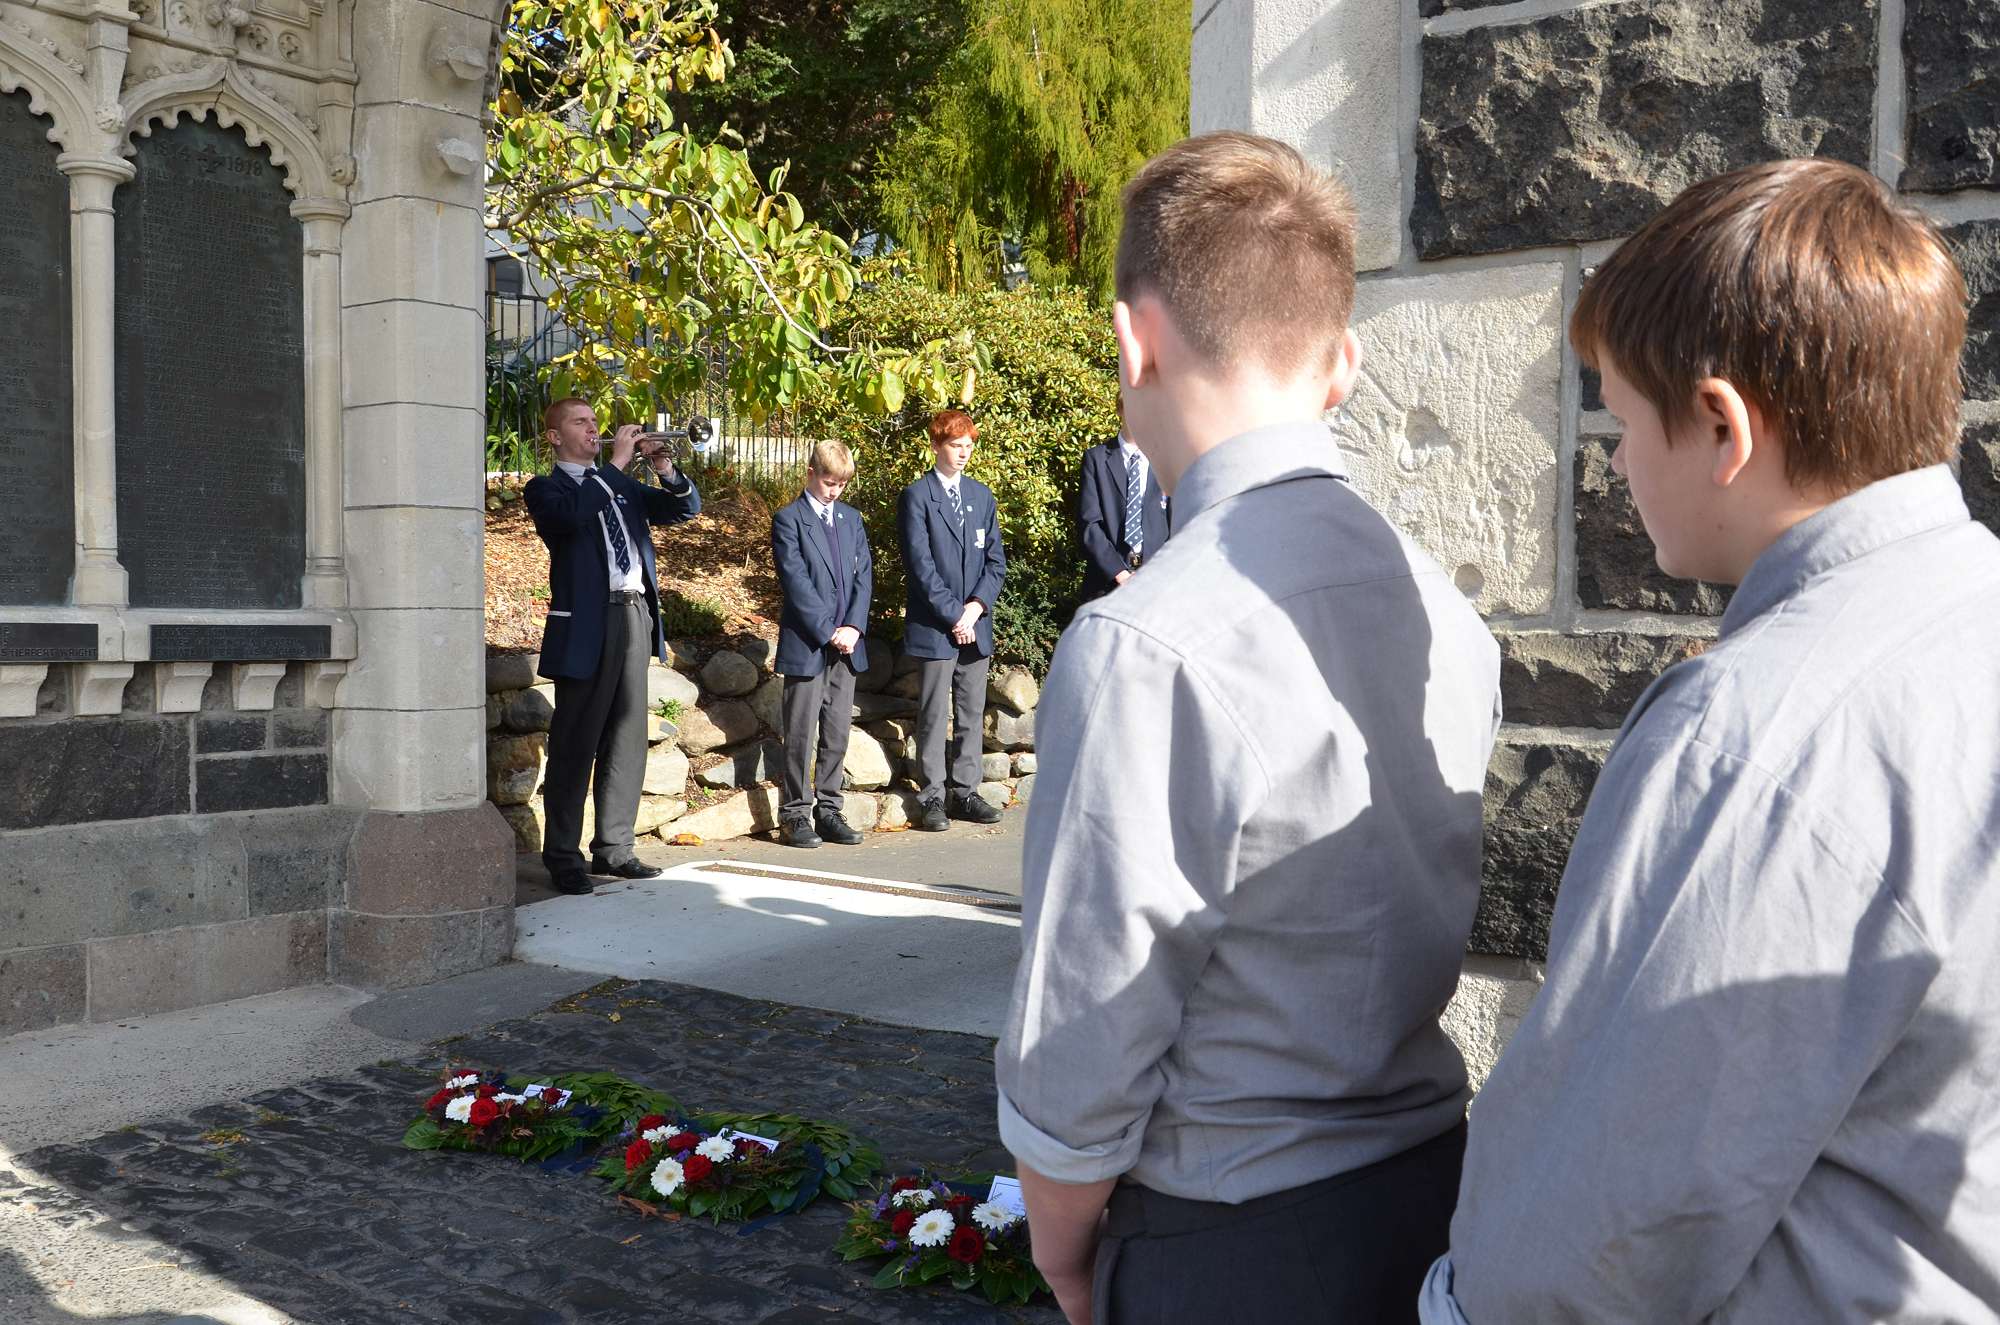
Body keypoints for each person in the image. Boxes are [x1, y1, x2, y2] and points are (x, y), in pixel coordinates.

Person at [1422, 159, 2000, 1323]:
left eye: (1621, 419)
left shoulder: (1750, 736)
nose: (1613, 462)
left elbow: (1590, 1234)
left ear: (1721, 425)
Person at [995, 130, 1502, 1325]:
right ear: (1341, 365)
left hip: (1231, 1240)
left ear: (1133, 341)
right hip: (1433, 1198)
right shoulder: (1444, 607)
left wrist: (1062, 1248)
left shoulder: (1144, 638)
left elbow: (1086, 1026)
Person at [523, 399, 700, 895]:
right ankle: (564, 857)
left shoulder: (619, 487)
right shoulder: (547, 489)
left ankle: (615, 848)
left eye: (594, 421)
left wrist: (664, 468)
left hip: (633, 613)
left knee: (627, 736)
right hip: (587, 621)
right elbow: (572, 517)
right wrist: (618, 463)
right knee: (575, 742)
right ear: (555, 437)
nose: (593, 428)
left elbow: (683, 509)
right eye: (580, 422)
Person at [896, 408, 1006, 833]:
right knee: (932, 712)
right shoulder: (917, 496)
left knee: (971, 711)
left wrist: (975, 608)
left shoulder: (981, 496)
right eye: (956, 445)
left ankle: (965, 792)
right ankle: (932, 797)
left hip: (975, 624)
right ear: (936, 446)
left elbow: (995, 562)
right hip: (935, 626)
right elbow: (920, 566)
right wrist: (955, 614)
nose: (964, 453)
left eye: (968, 446)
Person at [770, 440, 873, 849]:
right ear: (811, 473)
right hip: (808, 643)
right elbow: (795, 581)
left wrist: (854, 627)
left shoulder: (851, 519)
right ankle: (795, 814)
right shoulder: (789, 520)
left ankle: (829, 810)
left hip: (847, 644)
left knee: (836, 731)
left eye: (842, 484)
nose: (835, 491)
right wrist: (829, 630)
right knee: (800, 733)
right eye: (829, 482)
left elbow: (864, 576)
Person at [1077, 400, 1171, 601]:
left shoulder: (1167, 459)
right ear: (1120, 410)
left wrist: (1157, 572)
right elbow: (1089, 524)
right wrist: (1120, 573)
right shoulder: (1096, 459)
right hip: (1107, 583)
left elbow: (1178, 523)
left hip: (1157, 583)